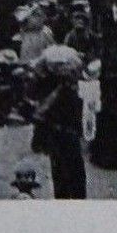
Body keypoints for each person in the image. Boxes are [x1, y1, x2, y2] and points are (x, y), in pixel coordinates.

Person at [31, 62, 87, 199]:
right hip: (63, 139)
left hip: (63, 139)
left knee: (65, 175)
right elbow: (40, 116)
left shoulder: (67, 95)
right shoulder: (62, 95)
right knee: (69, 175)